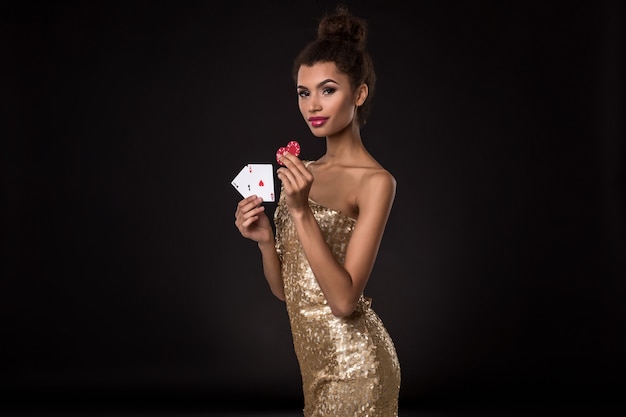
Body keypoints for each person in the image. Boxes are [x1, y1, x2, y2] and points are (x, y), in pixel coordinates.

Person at [234, 4, 400, 416]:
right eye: (303, 92)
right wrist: (266, 241)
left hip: (356, 368)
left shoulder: (375, 182)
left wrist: (301, 212)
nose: (313, 105)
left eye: (328, 89)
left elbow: (343, 302)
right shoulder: (303, 171)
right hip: (314, 369)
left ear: (358, 94)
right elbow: (286, 292)